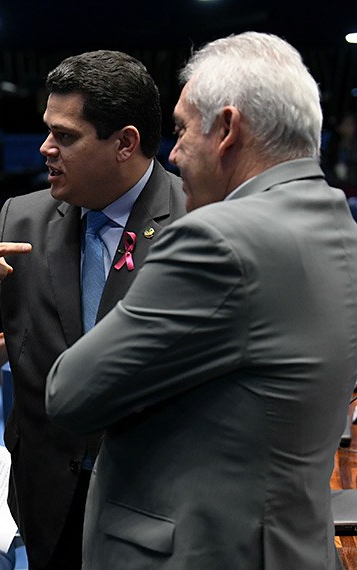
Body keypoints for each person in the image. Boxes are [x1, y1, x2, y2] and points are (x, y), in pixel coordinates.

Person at [45, 32, 357, 569]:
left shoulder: (217, 239)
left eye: (183, 130)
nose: (174, 153)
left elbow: (70, 394)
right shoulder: (339, 225)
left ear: (228, 130)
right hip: (294, 545)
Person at [0, 50, 186, 569]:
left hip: (157, 501)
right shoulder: (24, 219)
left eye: (65, 135)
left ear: (125, 143)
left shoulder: (198, 221)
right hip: (46, 499)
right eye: (48, 131)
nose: (45, 148)